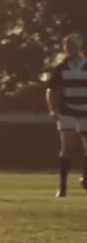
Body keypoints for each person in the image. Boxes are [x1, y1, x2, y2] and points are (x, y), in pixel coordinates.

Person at [46, 33, 87, 198]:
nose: (69, 49)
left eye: (72, 45)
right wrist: (53, 110)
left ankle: (86, 178)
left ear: (79, 46)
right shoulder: (60, 68)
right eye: (67, 46)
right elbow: (51, 91)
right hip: (67, 111)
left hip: (86, 111)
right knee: (67, 148)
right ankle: (62, 188)